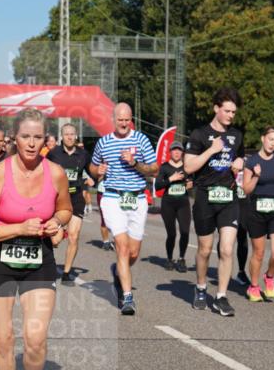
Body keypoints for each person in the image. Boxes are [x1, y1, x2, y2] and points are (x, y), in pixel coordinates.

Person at [0, 108, 71, 370]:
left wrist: (56, 222)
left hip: (38, 257)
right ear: (15, 138)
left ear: (46, 139)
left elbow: (66, 208)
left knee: (35, 335)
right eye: (25, 136)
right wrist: (18, 229)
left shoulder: (55, 172)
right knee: (4, 337)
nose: (31, 143)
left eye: (37, 137)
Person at [89, 102, 158, 315]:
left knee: (134, 252)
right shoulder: (104, 142)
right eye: (120, 119)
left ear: (131, 120)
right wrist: (97, 170)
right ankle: (128, 298)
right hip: (112, 197)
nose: (124, 123)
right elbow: (92, 167)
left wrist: (135, 162)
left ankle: (119, 271)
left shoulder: (141, 140)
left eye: (127, 119)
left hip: (137, 199)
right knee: (122, 246)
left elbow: (154, 169)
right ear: (114, 120)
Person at [184, 87, 246, 317]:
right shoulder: (199, 134)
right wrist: (211, 150)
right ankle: (200, 288)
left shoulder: (237, 135)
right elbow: (189, 167)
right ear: (216, 109)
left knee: (227, 249)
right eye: (227, 111)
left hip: (228, 197)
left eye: (233, 112)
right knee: (205, 249)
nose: (231, 115)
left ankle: (221, 296)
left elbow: (240, 154)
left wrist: (240, 161)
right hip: (205, 197)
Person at [242, 126, 274, 302]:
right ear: (263, 138)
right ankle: (253, 286)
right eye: (271, 139)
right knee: (259, 252)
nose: (273, 144)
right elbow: (246, 189)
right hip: (256, 210)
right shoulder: (252, 161)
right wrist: (256, 176)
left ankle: (269, 277)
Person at [46, 123, 90, 282]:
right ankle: (48, 264)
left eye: (72, 134)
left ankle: (66, 272)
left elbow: (92, 171)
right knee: (55, 240)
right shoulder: (53, 154)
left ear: (76, 135)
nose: (70, 137)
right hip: (57, 199)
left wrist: (95, 176)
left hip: (76, 197)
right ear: (61, 137)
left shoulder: (84, 154)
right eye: (66, 134)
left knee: (74, 236)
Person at [154, 141, 191, 272]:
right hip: (168, 204)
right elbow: (157, 185)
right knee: (172, 234)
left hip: (183, 204)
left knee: (185, 232)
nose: (176, 152)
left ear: (182, 153)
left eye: (179, 150)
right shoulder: (164, 167)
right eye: (174, 150)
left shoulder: (187, 168)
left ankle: (181, 258)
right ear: (170, 152)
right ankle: (169, 259)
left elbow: (192, 182)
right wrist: (171, 179)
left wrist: (190, 185)